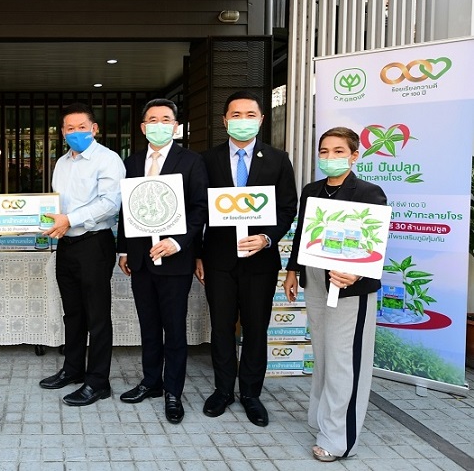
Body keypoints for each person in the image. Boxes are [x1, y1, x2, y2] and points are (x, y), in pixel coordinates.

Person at [282, 127, 386, 462]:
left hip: (349, 284)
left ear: (355, 155)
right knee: (324, 355)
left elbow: (375, 243)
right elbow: (302, 235)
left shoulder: (370, 193)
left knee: (345, 362)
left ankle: (338, 438)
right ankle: (321, 418)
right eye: (324, 151)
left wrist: (357, 272)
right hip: (315, 278)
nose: (330, 158)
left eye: (339, 151)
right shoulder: (312, 190)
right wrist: (293, 270)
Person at [195, 90, 297, 427]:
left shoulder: (279, 159)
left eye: (249, 114)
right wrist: (197, 253)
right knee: (222, 328)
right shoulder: (206, 160)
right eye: (235, 115)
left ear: (261, 119)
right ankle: (223, 389)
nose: (242, 121)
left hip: (260, 263)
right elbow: (197, 211)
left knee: (256, 328)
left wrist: (268, 238)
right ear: (225, 121)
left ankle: (251, 393)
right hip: (218, 260)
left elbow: (287, 207)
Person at [116, 99, 208, 424]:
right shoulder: (132, 162)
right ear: (143, 127)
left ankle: (173, 391)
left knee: (174, 328)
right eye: (152, 119)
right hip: (140, 260)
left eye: (165, 119)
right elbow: (127, 210)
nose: (158, 124)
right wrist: (124, 250)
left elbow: (200, 209)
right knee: (149, 326)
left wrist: (178, 242)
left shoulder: (192, 161)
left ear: (175, 126)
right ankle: (151, 382)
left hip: (175, 261)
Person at [40, 102, 126, 406]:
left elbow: (110, 204)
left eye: (81, 127)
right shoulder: (62, 162)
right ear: (62, 132)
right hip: (67, 245)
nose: (75, 132)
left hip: (94, 244)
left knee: (97, 316)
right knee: (73, 313)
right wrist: (42, 219)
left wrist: (70, 220)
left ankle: (98, 381)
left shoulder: (108, 160)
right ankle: (73, 369)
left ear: (94, 129)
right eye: (69, 128)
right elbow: (56, 204)